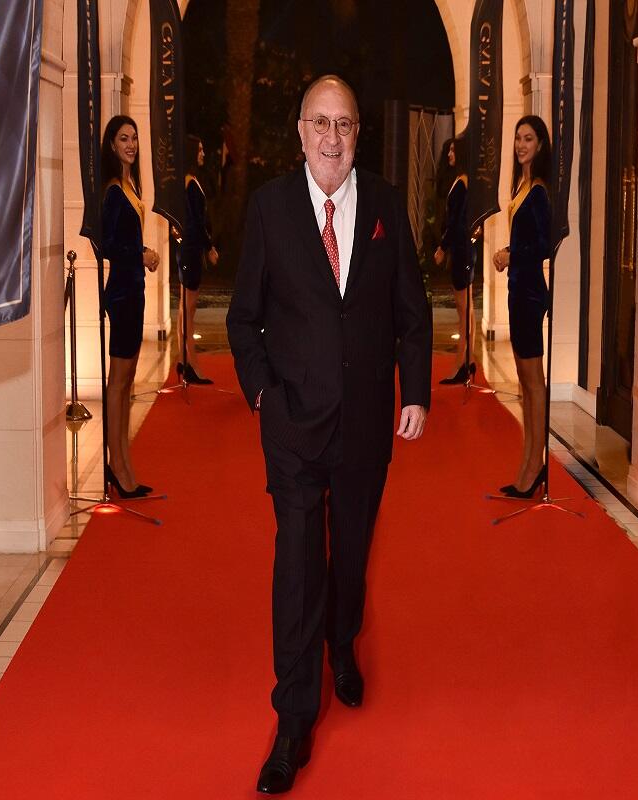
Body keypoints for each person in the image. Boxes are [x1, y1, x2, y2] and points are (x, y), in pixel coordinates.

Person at [227, 74, 432, 795]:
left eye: (344, 124)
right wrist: (263, 395)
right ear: (300, 131)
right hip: (292, 423)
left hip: (367, 423)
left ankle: (341, 642)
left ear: (357, 133)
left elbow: (412, 310)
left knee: (349, 557)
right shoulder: (270, 208)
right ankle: (293, 718)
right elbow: (242, 319)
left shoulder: (384, 205)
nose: (332, 137)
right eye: (320, 122)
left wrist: (417, 389)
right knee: (297, 565)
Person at [100, 115, 159, 497]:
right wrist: (140, 255)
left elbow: (125, 240)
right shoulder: (112, 191)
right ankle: (117, 466)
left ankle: (122, 461)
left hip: (133, 292)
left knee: (127, 382)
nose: (131, 144)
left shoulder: (130, 185)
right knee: (118, 382)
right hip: (122, 294)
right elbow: (107, 245)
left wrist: (143, 254)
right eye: (124, 138)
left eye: (134, 138)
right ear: (112, 145)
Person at [493, 115, 552, 499]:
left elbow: (545, 245)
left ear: (540, 144)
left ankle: (534, 466)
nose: (520, 145)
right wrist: (508, 253)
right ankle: (529, 461)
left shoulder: (540, 191)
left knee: (533, 383)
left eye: (528, 138)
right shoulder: (522, 185)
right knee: (524, 383)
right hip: (519, 290)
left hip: (530, 293)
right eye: (518, 138)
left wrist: (512, 254)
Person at [177, 134, 219, 385]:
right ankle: (191, 365)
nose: (203, 153)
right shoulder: (190, 184)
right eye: (200, 149)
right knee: (188, 310)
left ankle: (183, 360)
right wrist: (209, 247)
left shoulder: (188, 182)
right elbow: (195, 222)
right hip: (190, 252)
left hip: (188, 251)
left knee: (186, 309)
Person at [434, 137, 475, 384]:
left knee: (463, 310)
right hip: (463, 250)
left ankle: (462, 365)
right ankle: (467, 362)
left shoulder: (462, 184)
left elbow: (456, 222)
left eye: (452, 150)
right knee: (466, 310)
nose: (449, 154)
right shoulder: (462, 181)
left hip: (462, 251)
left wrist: (443, 246)